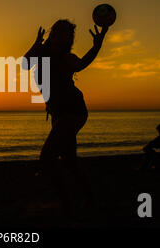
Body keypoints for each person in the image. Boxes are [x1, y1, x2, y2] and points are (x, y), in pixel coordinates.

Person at [23, 19, 109, 213]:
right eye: (57, 31)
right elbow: (24, 64)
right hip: (58, 114)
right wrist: (36, 43)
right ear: (52, 34)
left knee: (46, 159)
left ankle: (68, 204)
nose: (60, 35)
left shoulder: (66, 58)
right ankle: (89, 199)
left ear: (69, 39)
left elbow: (81, 64)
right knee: (69, 161)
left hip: (73, 111)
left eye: (66, 33)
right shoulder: (41, 54)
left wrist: (97, 46)